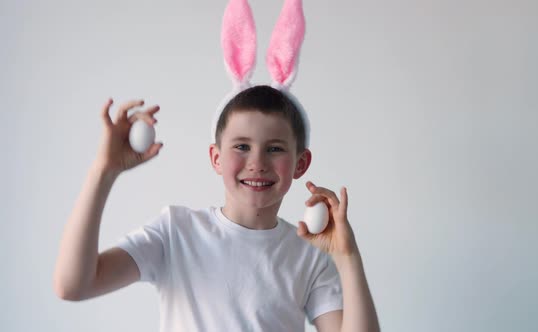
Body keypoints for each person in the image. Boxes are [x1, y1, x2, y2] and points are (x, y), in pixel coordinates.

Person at [53, 85, 380, 331]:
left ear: (300, 163)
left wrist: (347, 258)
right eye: (241, 146)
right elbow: (73, 285)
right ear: (216, 157)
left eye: (275, 149)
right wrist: (103, 171)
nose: (257, 163)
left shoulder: (309, 254)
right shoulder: (175, 232)